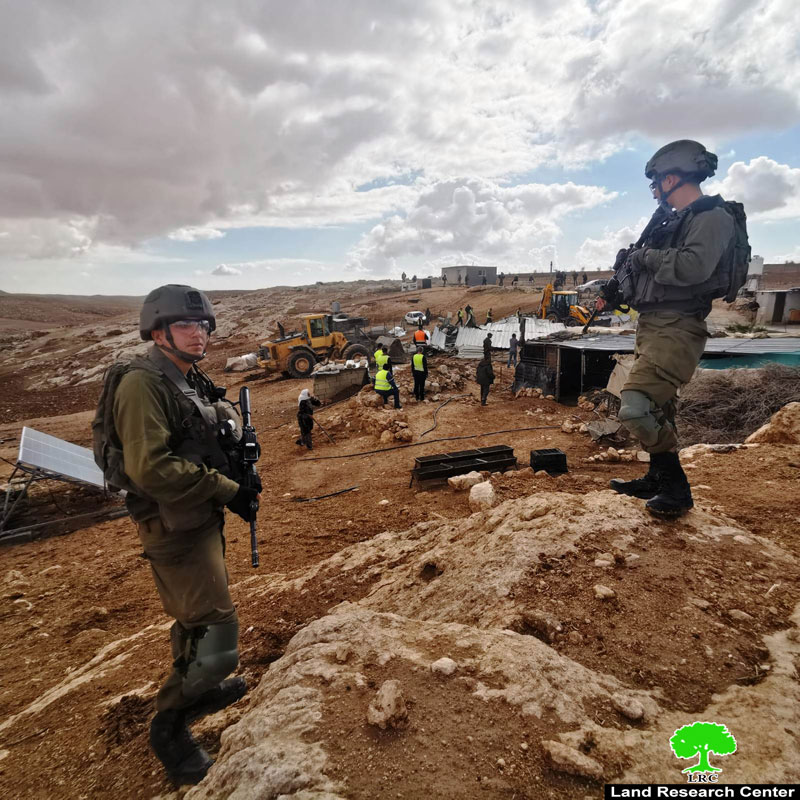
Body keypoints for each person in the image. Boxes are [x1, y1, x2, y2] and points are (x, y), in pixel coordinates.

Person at [95, 285, 257, 784]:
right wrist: (228, 488)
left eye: (204, 324)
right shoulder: (143, 383)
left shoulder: (185, 377)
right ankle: (169, 726)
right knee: (218, 636)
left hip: (195, 517)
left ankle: (199, 686)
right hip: (174, 524)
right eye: (187, 325)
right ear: (158, 330)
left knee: (195, 619)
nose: (199, 333)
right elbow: (149, 468)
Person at [596, 140, 738, 519]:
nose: (656, 193)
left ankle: (676, 488)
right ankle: (658, 478)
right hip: (654, 324)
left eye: (657, 184)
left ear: (672, 178)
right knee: (660, 407)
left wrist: (644, 256)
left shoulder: (712, 216)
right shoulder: (674, 223)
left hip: (677, 327)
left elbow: (693, 267)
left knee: (635, 407)